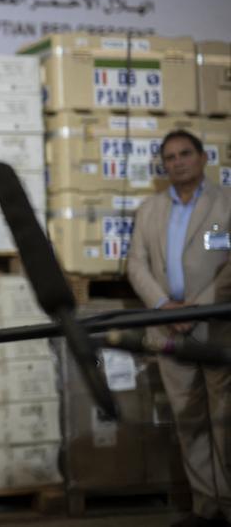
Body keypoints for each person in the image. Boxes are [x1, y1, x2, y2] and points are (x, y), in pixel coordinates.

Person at [127, 129, 231, 527]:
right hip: (168, 329)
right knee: (189, 424)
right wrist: (164, 308)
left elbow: (228, 266)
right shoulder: (150, 210)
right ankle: (207, 508)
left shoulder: (224, 204)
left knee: (224, 422)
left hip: (217, 327)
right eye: (169, 157)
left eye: (185, 153)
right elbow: (136, 264)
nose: (177, 162)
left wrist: (197, 306)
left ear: (203, 158)